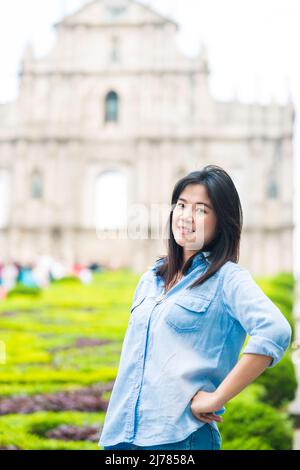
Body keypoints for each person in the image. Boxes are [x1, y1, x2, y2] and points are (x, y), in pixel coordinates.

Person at [98, 165, 292, 451]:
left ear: (221, 221)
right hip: (121, 436)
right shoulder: (151, 279)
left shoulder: (227, 278)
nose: (186, 216)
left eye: (201, 209)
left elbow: (274, 330)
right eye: (181, 205)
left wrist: (216, 398)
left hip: (180, 438)